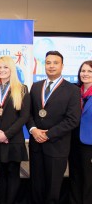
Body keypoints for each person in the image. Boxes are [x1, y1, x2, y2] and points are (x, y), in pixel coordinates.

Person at [26, 51, 81, 204]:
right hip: (36, 145)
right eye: (48, 62)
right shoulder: (36, 87)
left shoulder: (73, 90)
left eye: (55, 63)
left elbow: (72, 120)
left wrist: (48, 134)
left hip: (57, 147)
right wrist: (34, 130)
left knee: (52, 190)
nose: (51, 66)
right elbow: (28, 114)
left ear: (62, 66)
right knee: (36, 186)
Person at [0, 56, 30, 204]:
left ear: (12, 69)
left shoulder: (22, 89)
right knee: (1, 173)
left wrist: (6, 134)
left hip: (13, 140)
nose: (2, 70)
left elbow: (24, 117)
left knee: (12, 174)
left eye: (6, 67)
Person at [69, 60, 92, 204]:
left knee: (89, 179)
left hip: (89, 143)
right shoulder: (74, 91)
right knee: (74, 177)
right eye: (83, 71)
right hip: (72, 140)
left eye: (90, 71)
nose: (85, 74)